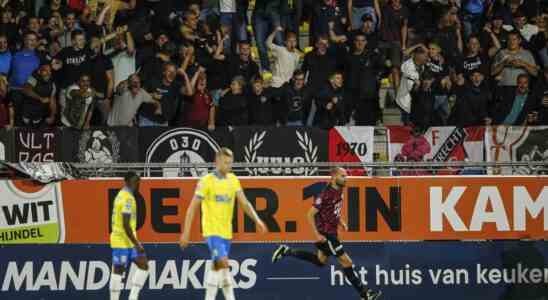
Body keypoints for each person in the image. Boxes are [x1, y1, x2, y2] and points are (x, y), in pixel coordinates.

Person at [272, 167, 382, 300]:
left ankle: (286, 251)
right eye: (342, 176)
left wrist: (340, 221)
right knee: (347, 262)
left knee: (320, 261)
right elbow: (310, 214)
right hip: (326, 234)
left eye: (346, 176)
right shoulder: (325, 194)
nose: (345, 179)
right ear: (334, 177)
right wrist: (317, 235)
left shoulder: (339, 190)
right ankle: (366, 294)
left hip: (332, 232)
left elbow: (332, 210)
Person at [179, 147, 267, 300]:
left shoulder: (233, 180)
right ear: (217, 162)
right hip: (212, 232)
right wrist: (185, 233)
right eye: (226, 163)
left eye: (230, 163)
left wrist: (257, 220)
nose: (229, 166)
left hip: (227, 233)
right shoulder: (206, 181)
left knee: (218, 267)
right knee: (223, 263)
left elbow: (245, 203)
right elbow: (192, 208)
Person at [109, 171, 149, 300]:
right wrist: (137, 244)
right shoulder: (127, 198)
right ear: (128, 182)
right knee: (118, 270)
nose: (138, 184)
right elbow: (126, 224)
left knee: (143, 265)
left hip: (128, 240)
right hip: (121, 240)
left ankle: (133, 296)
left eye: (138, 181)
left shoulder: (121, 195)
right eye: (136, 181)